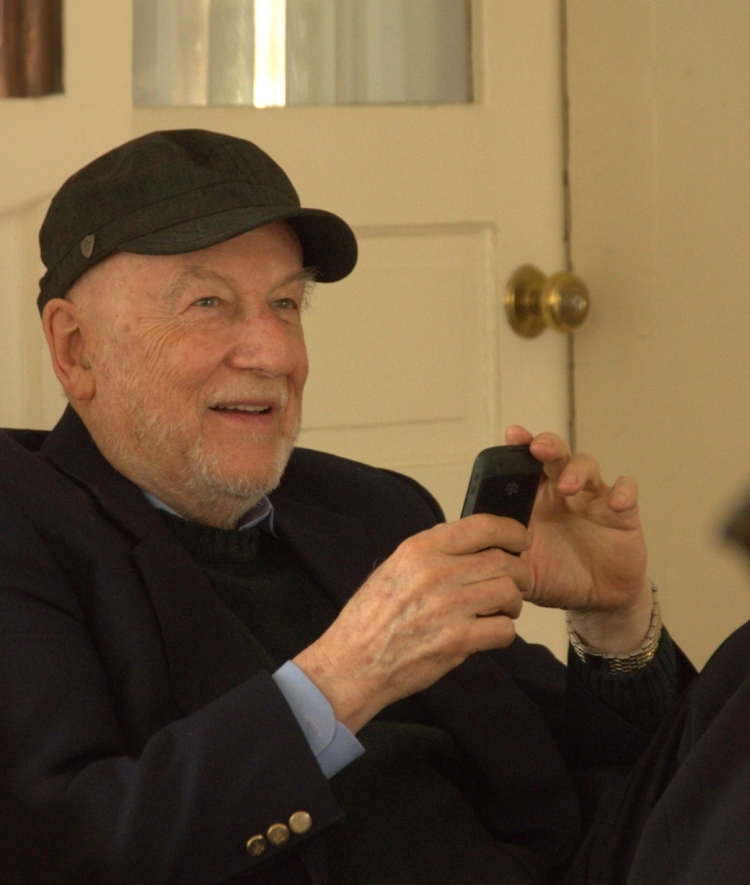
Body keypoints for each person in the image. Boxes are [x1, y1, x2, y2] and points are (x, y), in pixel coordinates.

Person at [0, 129, 673, 885]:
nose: (275, 354)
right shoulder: (25, 525)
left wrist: (614, 625)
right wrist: (347, 675)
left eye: (286, 303)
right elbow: (67, 852)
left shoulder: (370, 505)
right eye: (208, 303)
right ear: (75, 349)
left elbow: (608, 782)